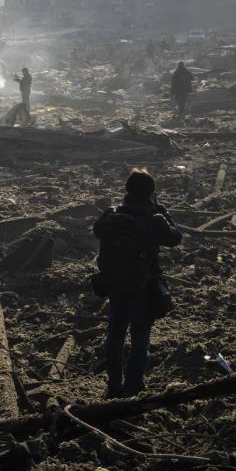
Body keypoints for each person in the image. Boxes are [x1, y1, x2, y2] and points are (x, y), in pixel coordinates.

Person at [92, 169, 182, 398]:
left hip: (114, 284)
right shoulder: (155, 219)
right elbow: (175, 238)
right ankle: (134, 385)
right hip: (143, 286)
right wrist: (163, 211)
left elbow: (96, 231)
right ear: (151, 193)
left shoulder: (111, 215)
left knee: (115, 334)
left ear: (127, 190)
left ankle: (114, 384)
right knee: (140, 336)